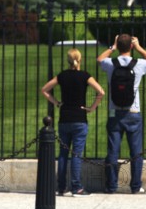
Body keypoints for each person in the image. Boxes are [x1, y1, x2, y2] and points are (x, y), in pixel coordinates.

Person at [41, 48, 104, 196]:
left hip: (64, 118)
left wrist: (57, 103)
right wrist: (92, 108)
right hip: (79, 118)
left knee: (63, 153)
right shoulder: (84, 76)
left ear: (68, 60)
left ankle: (61, 187)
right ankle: (76, 187)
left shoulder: (62, 76)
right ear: (80, 59)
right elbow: (101, 92)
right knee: (76, 153)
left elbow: (44, 90)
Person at [97, 34, 146, 194]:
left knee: (112, 151)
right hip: (133, 111)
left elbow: (99, 59)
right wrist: (139, 47)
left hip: (115, 112)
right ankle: (135, 186)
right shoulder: (139, 64)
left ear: (118, 45)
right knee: (136, 151)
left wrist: (112, 47)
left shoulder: (110, 64)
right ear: (130, 46)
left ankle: (111, 186)